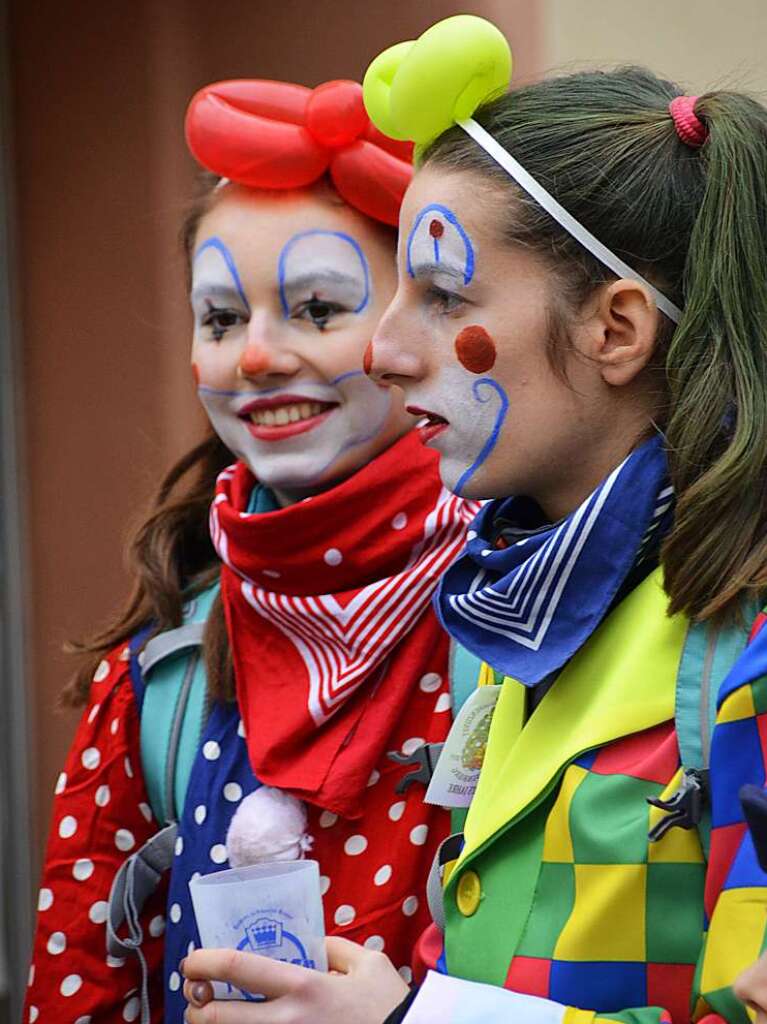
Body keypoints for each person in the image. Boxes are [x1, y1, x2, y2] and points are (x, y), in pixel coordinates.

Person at [179, 15, 767, 1024]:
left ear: (614, 328)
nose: (385, 348)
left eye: (444, 294)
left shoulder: (742, 648)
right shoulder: (518, 604)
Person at [24, 76, 478, 1024]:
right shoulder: (160, 673)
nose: (259, 356)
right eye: (223, 321)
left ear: (419, 325)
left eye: (317, 309)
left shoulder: (523, 618)